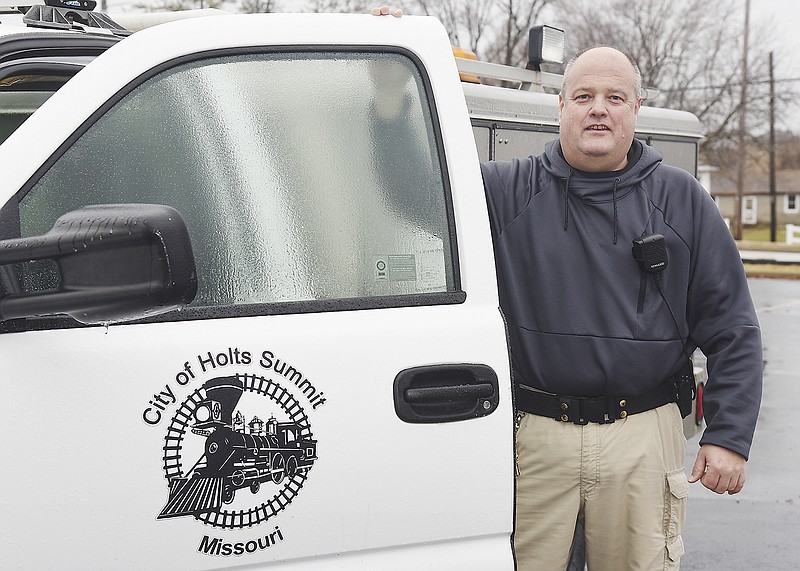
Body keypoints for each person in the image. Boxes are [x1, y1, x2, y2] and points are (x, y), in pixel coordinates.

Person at [372, 8, 763, 570]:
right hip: (535, 440)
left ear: (635, 110)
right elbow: (411, 192)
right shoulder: (507, 191)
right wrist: (389, 93)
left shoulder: (684, 203)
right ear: (561, 108)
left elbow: (733, 329)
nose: (598, 108)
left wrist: (728, 434)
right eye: (582, 96)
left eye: (614, 97)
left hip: (642, 437)